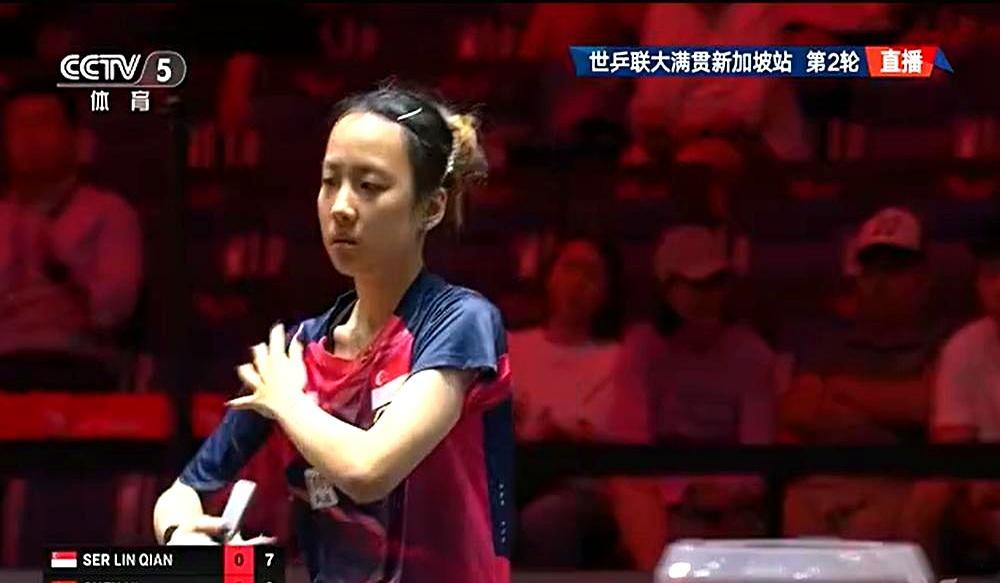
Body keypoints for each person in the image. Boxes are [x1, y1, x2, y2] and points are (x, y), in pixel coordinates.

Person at [153, 86, 514, 583]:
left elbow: (369, 470)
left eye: (369, 186)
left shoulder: (459, 322)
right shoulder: (299, 352)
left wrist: (287, 400)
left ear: (431, 208)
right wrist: (183, 537)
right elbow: (180, 495)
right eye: (330, 182)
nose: (341, 206)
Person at [608, 224, 777, 570]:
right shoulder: (641, 348)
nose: (707, 295)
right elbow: (630, 446)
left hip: (730, 496)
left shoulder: (752, 354)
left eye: (716, 283)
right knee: (629, 488)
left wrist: (721, 491)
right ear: (667, 289)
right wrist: (680, 492)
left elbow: (758, 456)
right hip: (657, 492)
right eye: (695, 285)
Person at [781, 207, 944, 542]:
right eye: (871, 271)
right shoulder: (831, 344)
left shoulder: (943, 343)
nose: (879, 284)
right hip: (822, 482)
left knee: (874, 525)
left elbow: (925, 405)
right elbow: (798, 411)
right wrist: (887, 411)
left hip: (897, 482)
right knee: (795, 508)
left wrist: (840, 389)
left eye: (895, 270)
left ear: (923, 279)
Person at [0, 79, 143, 389]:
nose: (29, 138)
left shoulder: (109, 212)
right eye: (17, 127)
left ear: (77, 139)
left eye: (43, 123)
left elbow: (113, 312)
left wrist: (63, 269)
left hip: (78, 364)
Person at [509, 235, 628, 568]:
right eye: (570, 268)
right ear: (550, 277)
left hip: (581, 484)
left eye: (591, 274)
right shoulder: (510, 345)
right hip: (512, 472)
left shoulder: (618, 359)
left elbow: (602, 432)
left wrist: (558, 432)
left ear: (607, 290)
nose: (578, 283)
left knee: (546, 520)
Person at [909, 213, 1000, 572]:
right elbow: (953, 451)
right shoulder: (964, 346)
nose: (998, 285)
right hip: (984, 492)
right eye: (990, 273)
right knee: (929, 496)